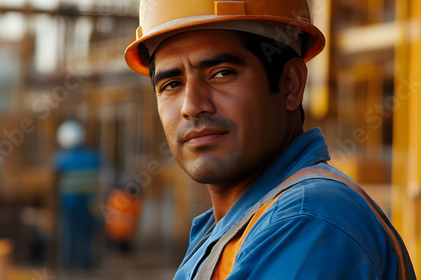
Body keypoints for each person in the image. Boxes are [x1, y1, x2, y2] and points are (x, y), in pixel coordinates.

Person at [123, 0, 416, 279]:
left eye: (222, 73)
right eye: (172, 84)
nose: (191, 106)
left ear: (290, 85)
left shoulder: (307, 220)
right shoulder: (234, 224)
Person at [53, 120, 100, 270]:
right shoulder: (92, 158)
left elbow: (53, 183)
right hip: (88, 203)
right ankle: (85, 265)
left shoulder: (61, 159)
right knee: (86, 233)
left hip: (69, 204)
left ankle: (69, 265)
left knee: (70, 233)